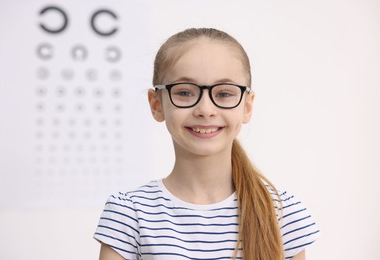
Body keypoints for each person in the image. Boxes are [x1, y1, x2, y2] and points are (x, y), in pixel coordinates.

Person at [94, 28, 320, 260]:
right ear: (156, 104)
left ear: (247, 107)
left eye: (223, 94)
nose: (205, 110)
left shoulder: (282, 213)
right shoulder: (129, 213)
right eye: (184, 92)